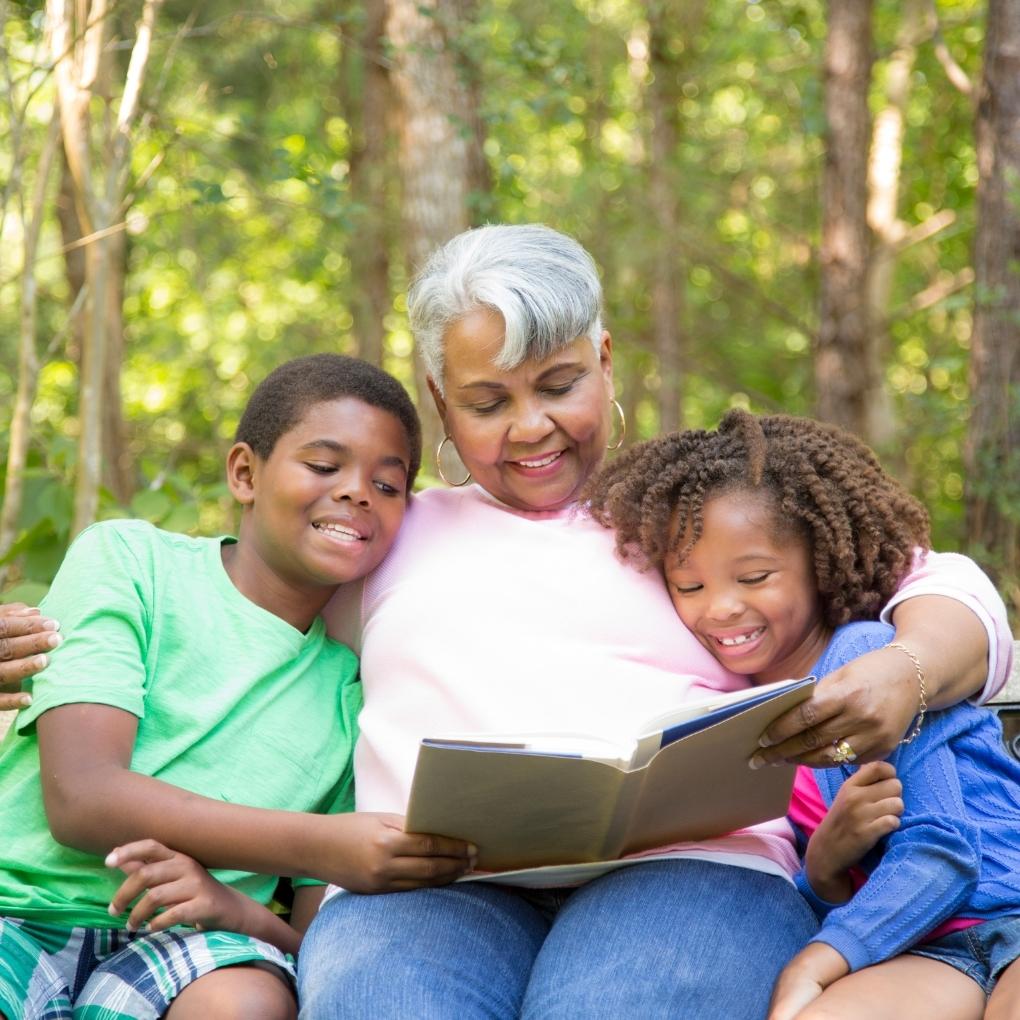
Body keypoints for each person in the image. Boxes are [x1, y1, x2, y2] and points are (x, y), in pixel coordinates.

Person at [290, 224, 1014, 1018]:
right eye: (488, 402)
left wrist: (905, 670)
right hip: (430, 883)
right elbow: (243, 615)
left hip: (696, 869)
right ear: (440, 400)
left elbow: (944, 587)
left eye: (558, 385)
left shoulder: (691, 509)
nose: (529, 427)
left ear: (605, 361)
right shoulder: (383, 530)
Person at [0, 355, 473, 1020]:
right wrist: (324, 843)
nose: (358, 492)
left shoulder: (354, 696)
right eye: (324, 465)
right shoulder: (132, 562)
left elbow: (315, 944)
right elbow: (81, 799)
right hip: (19, 912)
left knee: (245, 1000)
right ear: (245, 474)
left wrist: (233, 907)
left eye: (388, 485)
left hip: (195, 945)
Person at [585, 408, 1020, 1020]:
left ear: (818, 564)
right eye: (691, 587)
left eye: (755, 576)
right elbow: (841, 895)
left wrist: (817, 958)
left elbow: (944, 853)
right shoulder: (741, 718)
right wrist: (822, 870)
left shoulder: (866, 662)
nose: (722, 608)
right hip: (923, 948)